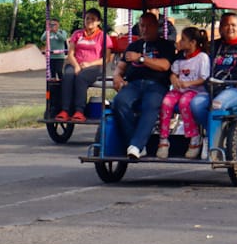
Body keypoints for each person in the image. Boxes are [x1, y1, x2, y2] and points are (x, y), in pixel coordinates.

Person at [111, 12, 176, 159]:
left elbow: (165, 66)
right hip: (133, 84)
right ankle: (135, 143)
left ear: (156, 27)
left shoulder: (166, 45)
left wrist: (141, 58)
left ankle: (136, 145)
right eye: (142, 26)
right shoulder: (134, 45)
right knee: (119, 102)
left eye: (148, 26)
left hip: (156, 84)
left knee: (151, 104)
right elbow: (121, 67)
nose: (144, 29)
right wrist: (117, 77)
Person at [190, 12, 237, 132]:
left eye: (233, 25)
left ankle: (214, 146)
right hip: (215, 88)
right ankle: (215, 135)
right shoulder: (214, 45)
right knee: (196, 104)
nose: (230, 28)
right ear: (220, 28)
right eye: (226, 25)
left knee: (217, 104)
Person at [156, 27, 210, 159]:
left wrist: (188, 84)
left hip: (196, 90)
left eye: (183, 40)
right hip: (179, 89)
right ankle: (163, 139)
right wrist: (174, 78)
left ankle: (194, 138)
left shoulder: (202, 58)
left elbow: (204, 78)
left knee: (185, 102)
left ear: (192, 43)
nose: (179, 42)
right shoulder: (180, 57)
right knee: (166, 102)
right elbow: (173, 73)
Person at [55, 8, 113, 122]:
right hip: (75, 63)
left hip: (95, 66)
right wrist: (76, 65)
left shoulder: (103, 36)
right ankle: (65, 110)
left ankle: (79, 110)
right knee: (68, 75)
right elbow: (70, 54)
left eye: (93, 19)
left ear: (98, 22)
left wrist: (89, 64)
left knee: (81, 78)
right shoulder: (77, 34)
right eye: (87, 18)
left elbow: (106, 59)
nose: (89, 21)